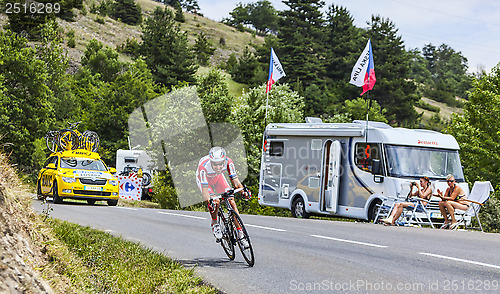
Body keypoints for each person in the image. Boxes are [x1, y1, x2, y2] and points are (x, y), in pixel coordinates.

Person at [196, 146, 250, 241]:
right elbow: (205, 190)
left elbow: (235, 181)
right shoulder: (203, 167)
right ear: (211, 162)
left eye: (220, 164)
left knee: (231, 201)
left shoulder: (229, 162)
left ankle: (240, 232)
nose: (218, 167)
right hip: (205, 181)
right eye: (215, 165)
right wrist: (210, 202)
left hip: (217, 177)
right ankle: (215, 223)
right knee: (215, 202)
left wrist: (243, 192)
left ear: (224, 161)